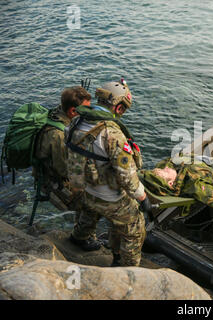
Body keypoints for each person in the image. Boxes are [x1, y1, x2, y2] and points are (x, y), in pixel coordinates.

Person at [65, 79, 152, 267]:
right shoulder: (112, 134)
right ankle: (125, 265)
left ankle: (79, 237)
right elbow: (126, 176)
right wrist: (143, 197)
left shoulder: (75, 122)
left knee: (90, 209)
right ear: (118, 108)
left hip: (84, 190)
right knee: (134, 226)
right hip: (108, 198)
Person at [33, 86, 103, 250]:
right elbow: (65, 170)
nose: (89, 113)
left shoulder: (57, 115)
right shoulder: (58, 134)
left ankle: (84, 231)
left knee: (91, 189)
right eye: (85, 109)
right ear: (73, 111)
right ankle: (81, 237)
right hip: (52, 184)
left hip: (51, 175)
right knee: (98, 201)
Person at [140, 154, 213, 210]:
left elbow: (168, 162)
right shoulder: (194, 185)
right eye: (165, 171)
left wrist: (194, 157)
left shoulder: (172, 170)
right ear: (171, 183)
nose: (165, 168)